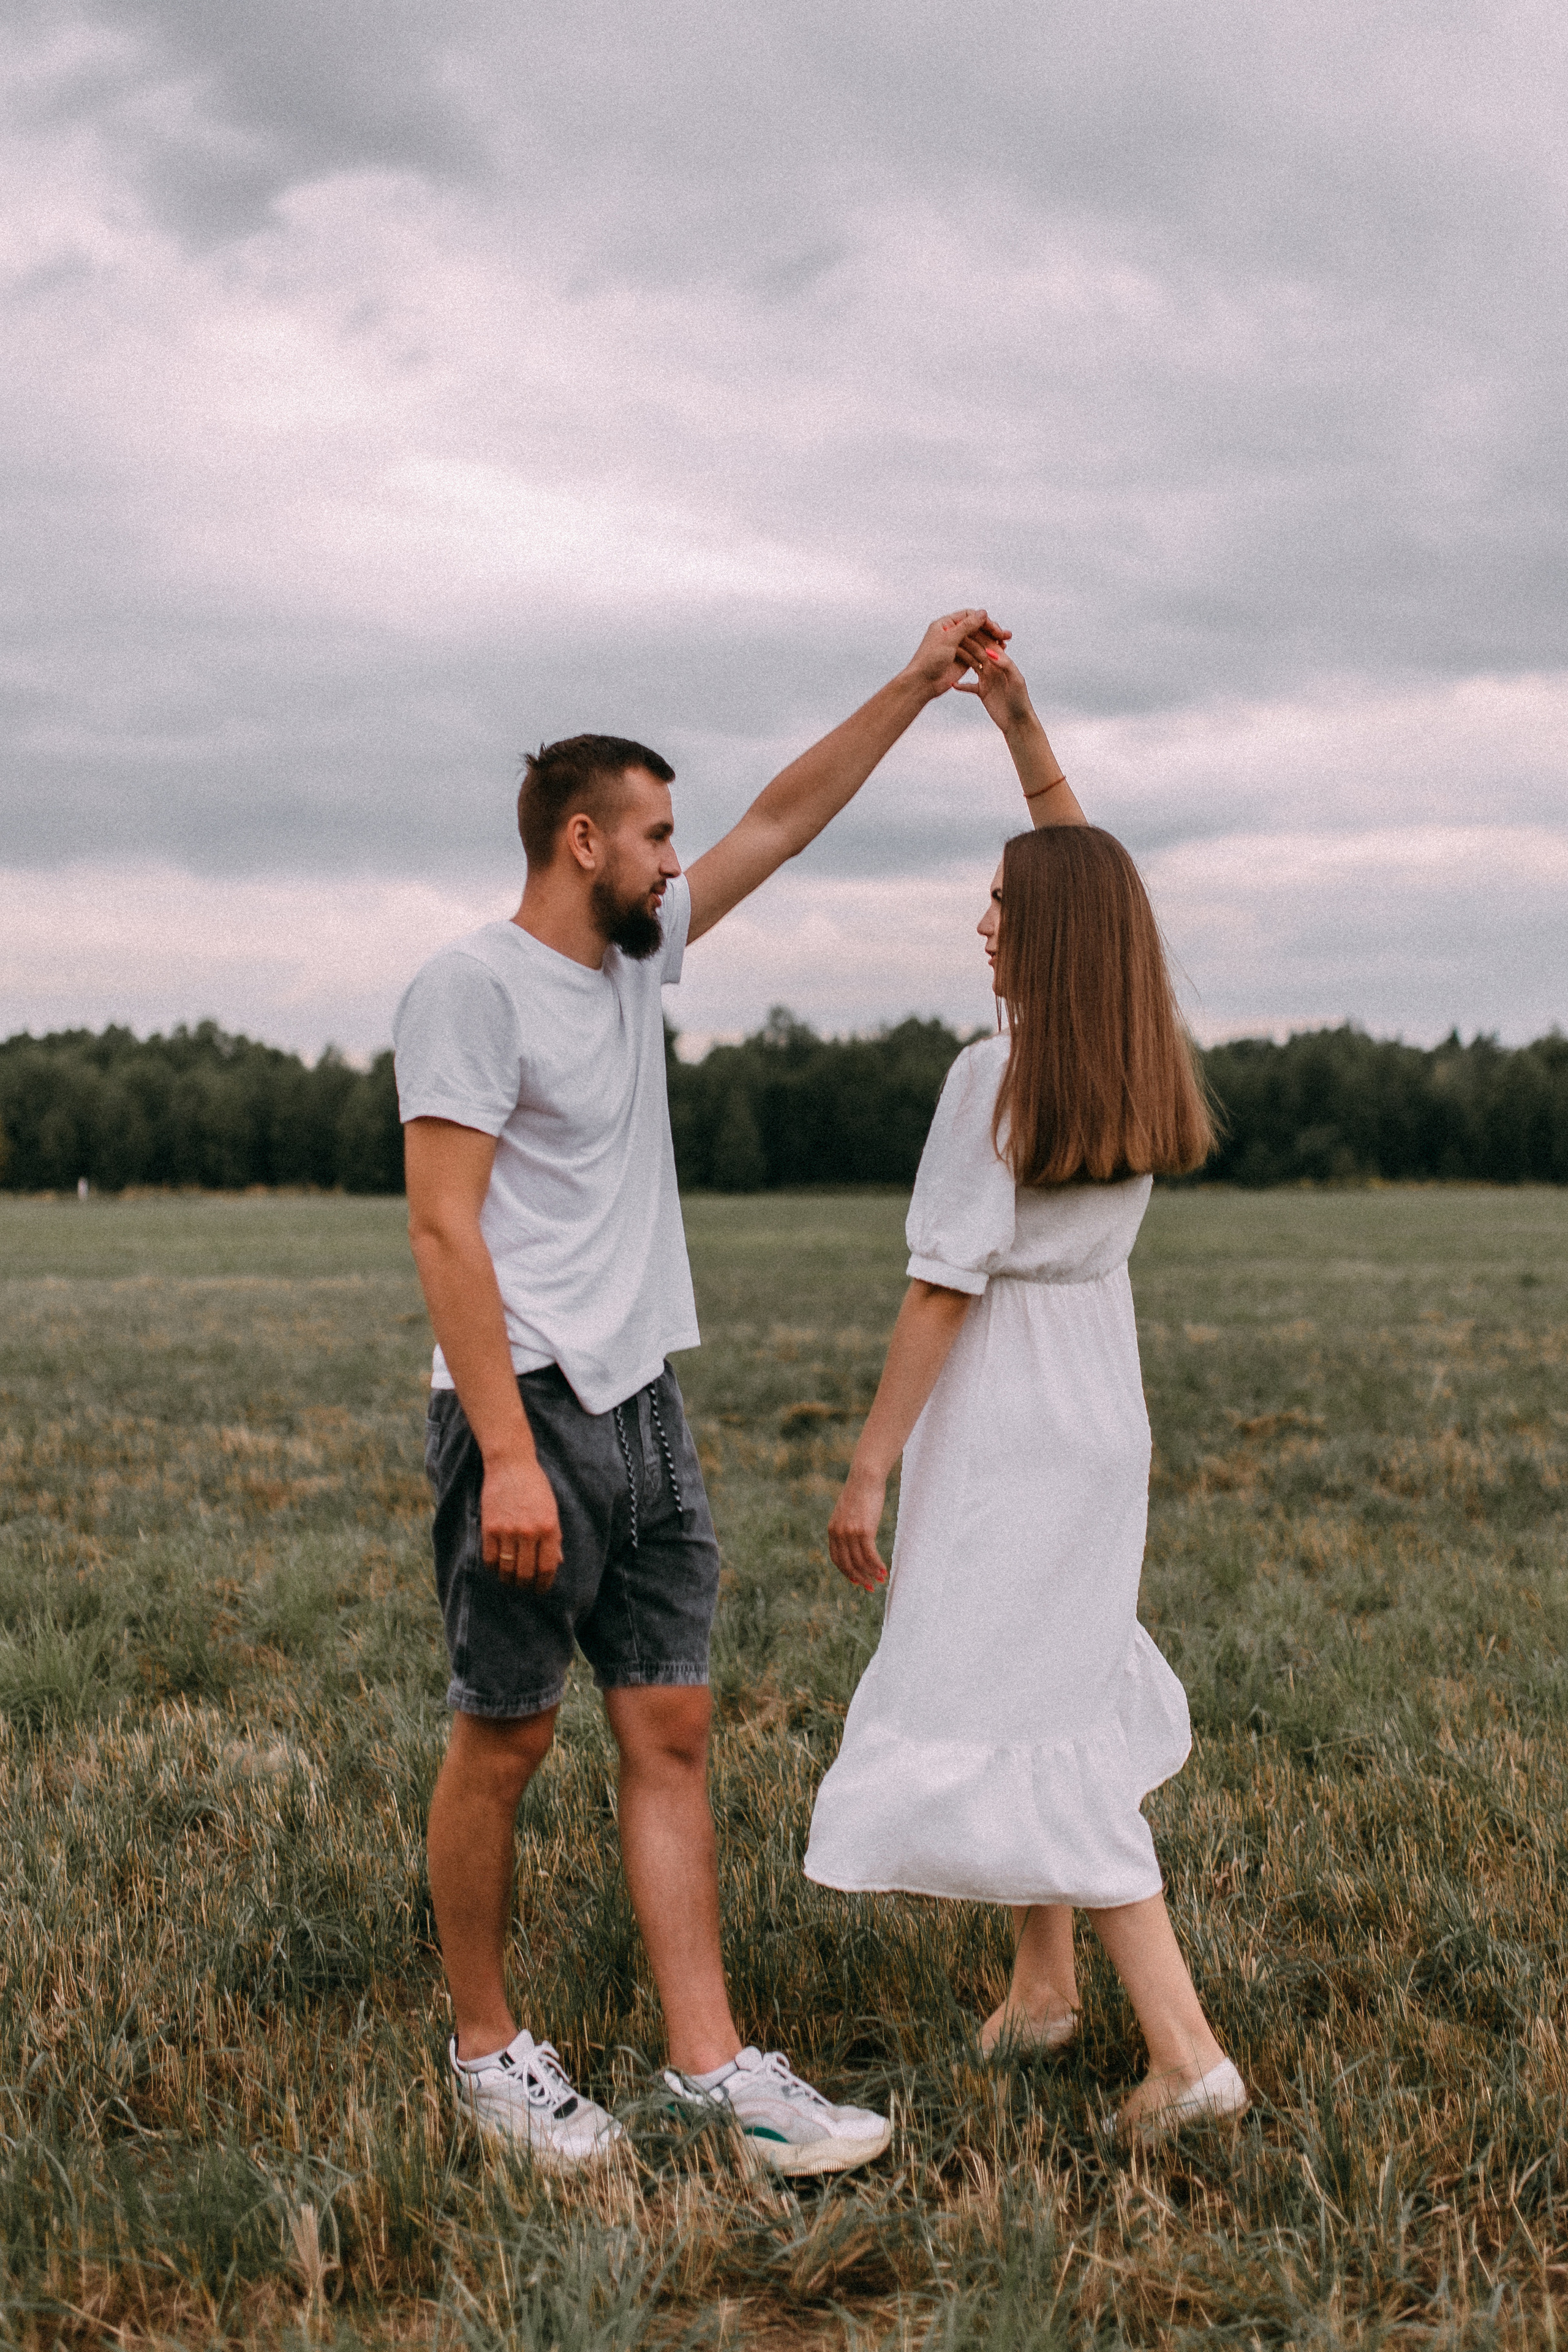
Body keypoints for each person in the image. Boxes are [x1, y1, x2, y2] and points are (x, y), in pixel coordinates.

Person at [393, 609, 1006, 2175]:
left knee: (669, 1729)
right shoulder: (470, 987)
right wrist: (513, 1461)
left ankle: (710, 2064)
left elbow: (785, 824)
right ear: (581, 838)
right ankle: (484, 2051)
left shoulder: (626, 978)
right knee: (504, 1735)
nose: (678, 862)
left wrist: (918, 684)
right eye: (654, 836)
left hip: (647, 1412)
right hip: (523, 1417)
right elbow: (442, 1225)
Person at [802, 646, 1248, 2136]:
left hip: (1000, 1420)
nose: (978, 918)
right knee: (1042, 1676)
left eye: (1000, 902)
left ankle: (1186, 2057)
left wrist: (868, 1466)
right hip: (1094, 1412)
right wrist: (1017, 724)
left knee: (1028, 1707)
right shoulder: (1123, 1058)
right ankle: (1042, 1990)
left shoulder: (985, 1079)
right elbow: (1092, 880)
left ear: (1043, 937)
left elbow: (940, 1286)